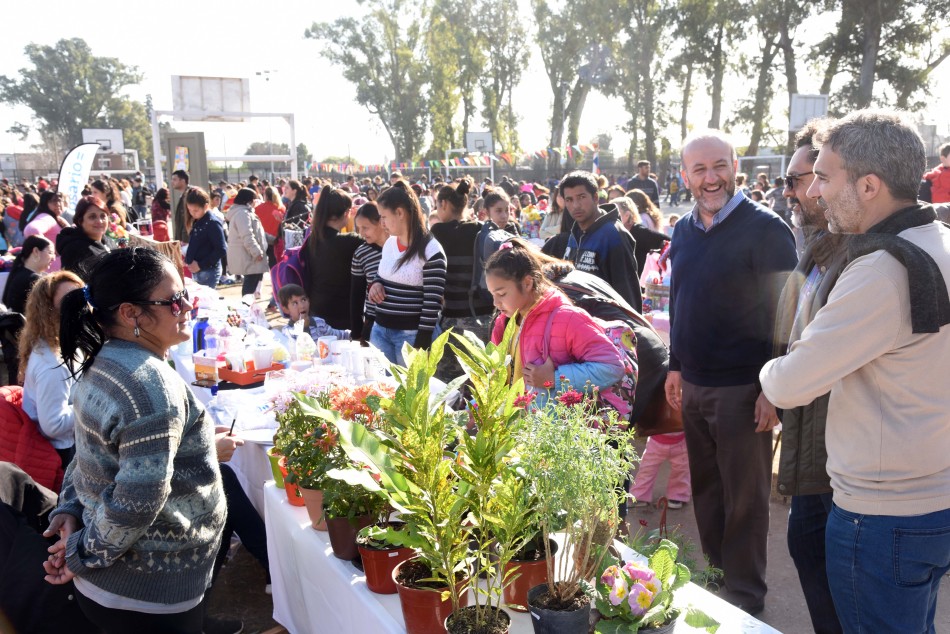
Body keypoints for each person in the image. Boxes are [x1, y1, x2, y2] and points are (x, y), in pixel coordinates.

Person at [760, 110, 950, 634]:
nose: (814, 192)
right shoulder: (939, 242)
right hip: (929, 502)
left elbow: (790, 383)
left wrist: (775, 364)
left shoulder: (881, 271)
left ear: (868, 185)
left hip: (882, 517)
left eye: (823, 176)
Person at [42, 247, 227, 633]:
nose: (187, 306)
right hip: (147, 595)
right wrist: (78, 553)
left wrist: (71, 509)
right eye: (174, 300)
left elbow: (88, 456)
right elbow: (137, 501)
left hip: (118, 585)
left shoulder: (104, 361)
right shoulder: (148, 387)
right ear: (130, 313)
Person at [665, 129, 797, 616]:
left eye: (718, 165)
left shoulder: (766, 229)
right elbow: (680, 301)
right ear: (684, 176)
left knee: (745, 500)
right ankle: (719, 582)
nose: (710, 177)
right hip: (695, 386)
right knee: (707, 493)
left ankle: (744, 600)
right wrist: (676, 365)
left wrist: (773, 388)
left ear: (735, 166)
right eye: (698, 169)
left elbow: (787, 313)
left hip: (745, 388)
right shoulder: (682, 230)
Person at [766, 117, 845, 634]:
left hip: (840, 462)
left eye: (799, 179)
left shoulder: (859, 259)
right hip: (810, 447)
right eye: (789, 180)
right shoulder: (816, 250)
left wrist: (778, 379)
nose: (790, 192)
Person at [486, 238, 625, 410]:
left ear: (527, 283)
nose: (495, 303)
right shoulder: (504, 324)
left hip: (552, 433)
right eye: (492, 294)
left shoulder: (566, 318)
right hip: (513, 430)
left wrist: (554, 378)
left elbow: (612, 367)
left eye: (502, 294)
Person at [366, 180, 447, 365]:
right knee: (381, 389)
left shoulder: (431, 250)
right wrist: (376, 284)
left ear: (400, 213)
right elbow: (384, 274)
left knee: (410, 392)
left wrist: (422, 346)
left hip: (411, 337)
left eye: (384, 217)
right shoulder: (389, 243)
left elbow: (431, 304)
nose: (382, 223)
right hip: (380, 330)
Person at [431, 177, 494, 380]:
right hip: (484, 317)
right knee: (480, 382)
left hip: (453, 318)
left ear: (444, 204)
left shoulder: (439, 232)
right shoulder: (480, 229)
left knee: (450, 382)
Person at [19, 271, 84, 469]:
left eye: (81, 296)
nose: (79, 305)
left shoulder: (60, 342)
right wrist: (93, 404)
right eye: (69, 300)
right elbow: (53, 425)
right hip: (61, 454)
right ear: (49, 311)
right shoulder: (54, 364)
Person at [560, 171, 642, 311]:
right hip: (579, 325)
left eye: (581, 197)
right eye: (569, 200)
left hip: (608, 327)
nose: (575, 205)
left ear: (596, 197)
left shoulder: (614, 235)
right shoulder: (576, 233)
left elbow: (628, 295)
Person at [302, 185, 363, 332]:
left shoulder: (312, 238)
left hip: (317, 309)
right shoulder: (351, 241)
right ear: (347, 213)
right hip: (343, 314)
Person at [350, 201, 387, 344]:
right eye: (359, 228)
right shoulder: (361, 253)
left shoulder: (401, 247)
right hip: (373, 323)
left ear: (381, 223)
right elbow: (356, 295)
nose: (361, 233)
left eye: (366, 227)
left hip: (401, 324)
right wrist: (356, 332)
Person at [630, 431, 691, 510]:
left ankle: (677, 495)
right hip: (656, 441)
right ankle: (640, 495)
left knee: (681, 469)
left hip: (681, 441)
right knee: (647, 469)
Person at [225, 187, 269, 298]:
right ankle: (246, 309)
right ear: (249, 200)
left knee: (251, 284)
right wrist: (256, 252)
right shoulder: (242, 214)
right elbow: (247, 235)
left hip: (248, 255)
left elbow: (256, 233)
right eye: (255, 199)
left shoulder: (243, 212)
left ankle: (247, 309)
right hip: (249, 256)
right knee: (249, 287)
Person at [56, 196, 112, 279]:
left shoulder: (109, 242)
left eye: (103, 216)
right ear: (80, 221)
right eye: (92, 217)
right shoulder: (74, 249)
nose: (99, 221)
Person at [614, 193, 670, 276]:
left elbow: (668, 241)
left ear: (627, 215)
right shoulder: (616, 232)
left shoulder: (639, 231)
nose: (611, 216)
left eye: (615, 212)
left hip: (641, 282)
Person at [184, 188, 227, 289]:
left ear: (206, 206)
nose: (192, 213)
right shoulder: (199, 221)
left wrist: (200, 265)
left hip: (208, 271)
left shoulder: (212, 223)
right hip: (200, 271)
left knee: (205, 303)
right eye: (189, 210)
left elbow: (221, 249)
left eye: (195, 210)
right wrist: (188, 259)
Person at [277, 284, 350, 342]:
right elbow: (302, 352)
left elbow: (335, 334)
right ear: (285, 309)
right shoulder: (288, 332)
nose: (302, 306)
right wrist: (305, 328)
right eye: (295, 303)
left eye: (303, 300)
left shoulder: (318, 322)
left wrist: (353, 333)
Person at [2, 235, 53, 314]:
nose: (53, 258)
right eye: (50, 252)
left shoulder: (18, 273)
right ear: (36, 251)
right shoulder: (33, 279)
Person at [24, 191, 68, 272]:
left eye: (59, 200)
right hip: (51, 272)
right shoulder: (46, 217)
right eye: (53, 201)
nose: (58, 204)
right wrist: (50, 251)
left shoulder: (57, 218)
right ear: (45, 203)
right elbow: (31, 230)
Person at [256, 185, 285, 267]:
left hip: (261, 239)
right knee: (274, 264)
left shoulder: (257, 208)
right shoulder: (281, 209)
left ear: (265, 195)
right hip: (275, 240)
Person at [171, 169, 190, 243]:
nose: (172, 182)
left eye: (175, 179)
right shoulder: (184, 195)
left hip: (187, 240)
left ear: (183, 181)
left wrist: (184, 240)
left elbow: (187, 219)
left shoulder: (189, 195)